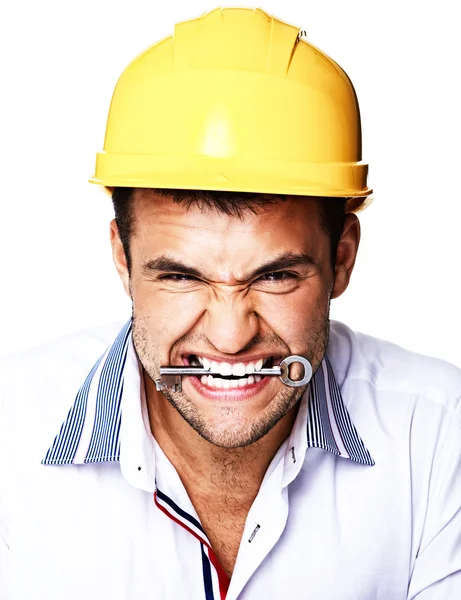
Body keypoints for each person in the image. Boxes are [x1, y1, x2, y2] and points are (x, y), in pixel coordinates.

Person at [1, 6, 460, 599]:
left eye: (273, 277)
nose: (228, 337)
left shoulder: (440, 437)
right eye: (182, 278)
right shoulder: (9, 434)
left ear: (342, 257)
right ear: (123, 257)